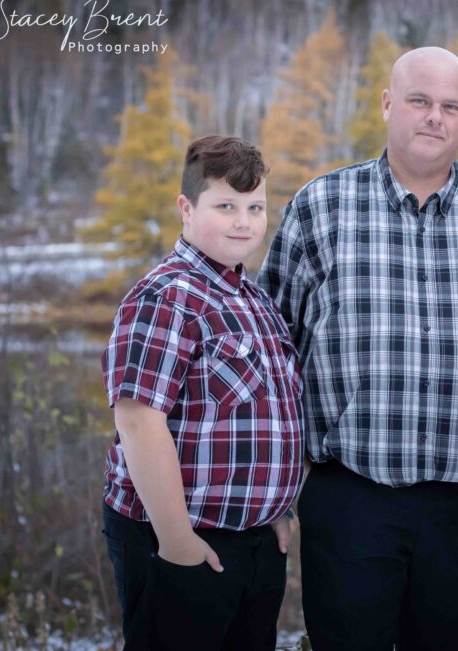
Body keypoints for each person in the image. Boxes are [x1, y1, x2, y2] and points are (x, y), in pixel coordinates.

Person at [259, 46, 458, 650]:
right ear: (389, 104)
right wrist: (274, 491)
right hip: (350, 498)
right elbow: (274, 356)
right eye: (420, 101)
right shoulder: (321, 207)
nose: (434, 118)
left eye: (450, 106)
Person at [101, 135, 303, 650]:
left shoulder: (252, 298)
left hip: (252, 544)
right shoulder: (168, 295)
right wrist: (176, 539)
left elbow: (266, 413)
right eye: (225, 206)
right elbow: (138, 420)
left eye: (255, 207)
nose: (243, 221)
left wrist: (274, 509)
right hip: (180, 539)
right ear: (186, 209)